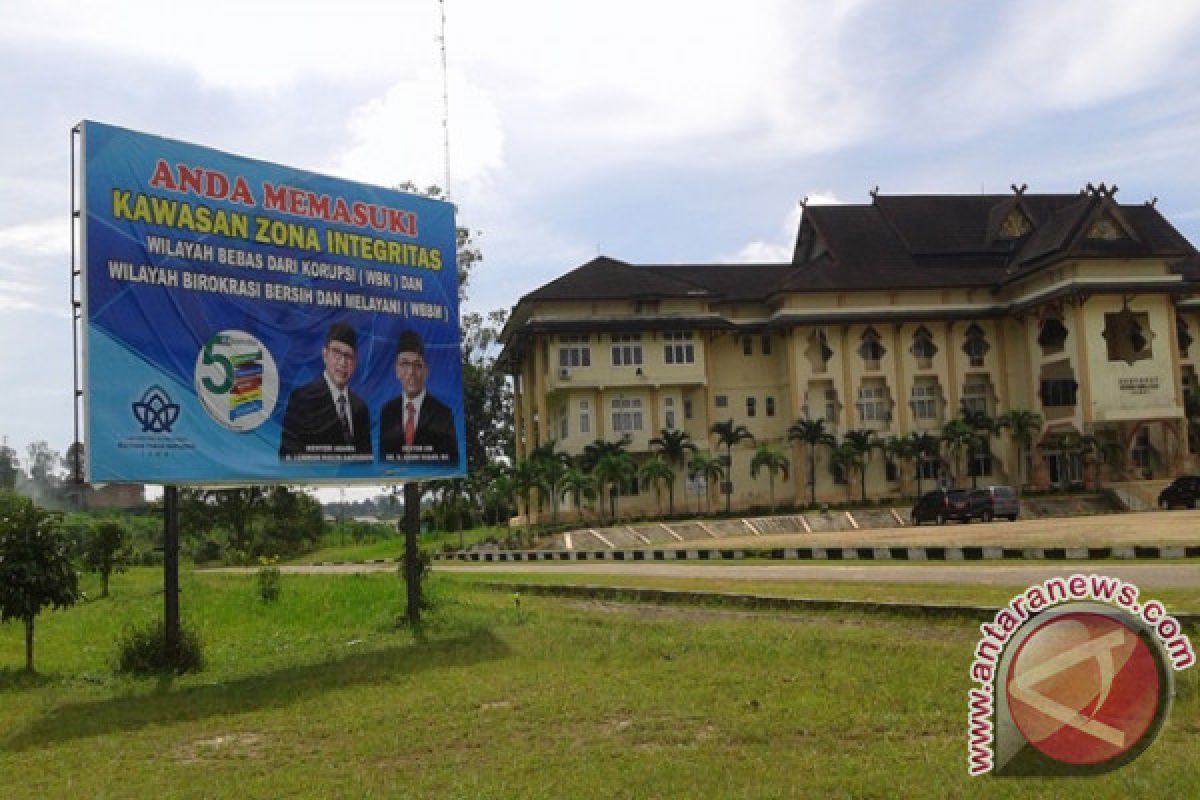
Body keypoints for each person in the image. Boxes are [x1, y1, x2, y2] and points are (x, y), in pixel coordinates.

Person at [279, 322, 372, 461]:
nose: (342, 362)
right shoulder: (303, 398)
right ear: (325, 354)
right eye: (337, 353)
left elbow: (366, 459)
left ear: (355, 362)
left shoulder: (360, 408)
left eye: (348, 356)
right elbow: (289, 454)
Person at [380, 330, 458, 464]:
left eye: (417, 365)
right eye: (404, 364)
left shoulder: (443, 414)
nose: (411, 372)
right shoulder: (388, 411)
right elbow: (384, 460)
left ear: (426, 371)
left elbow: (450, 461)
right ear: (396, 370)